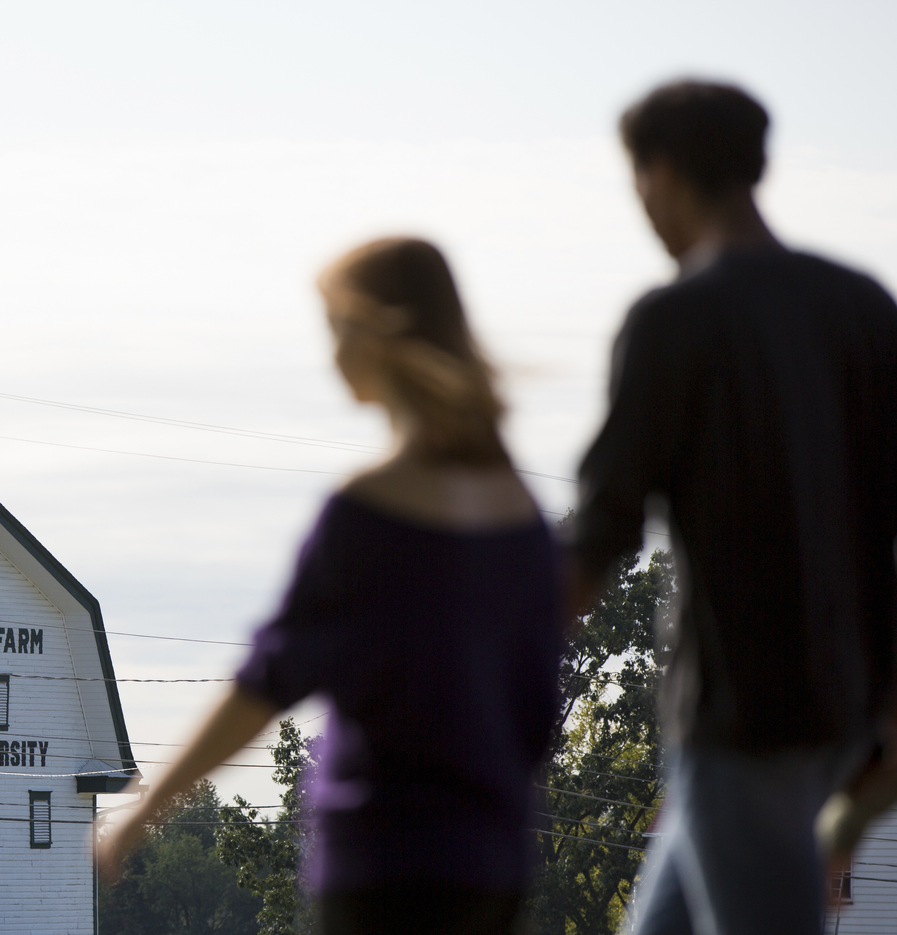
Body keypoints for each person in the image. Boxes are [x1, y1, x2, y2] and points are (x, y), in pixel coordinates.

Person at [97, 238, 563, 935]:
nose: (330, 354)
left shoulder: (368, 510)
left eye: (334, 328)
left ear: (373, 331)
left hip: (383, 861)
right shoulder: (521, 513)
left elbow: (267, 680)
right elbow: (535, 710)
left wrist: (142, 810)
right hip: (490, 862)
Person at [572, 81, 897, 934]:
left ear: (663, 173)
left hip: (739, 716)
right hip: (845, 710)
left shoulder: (675, 318)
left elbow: (598, 534)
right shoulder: (863, 306)